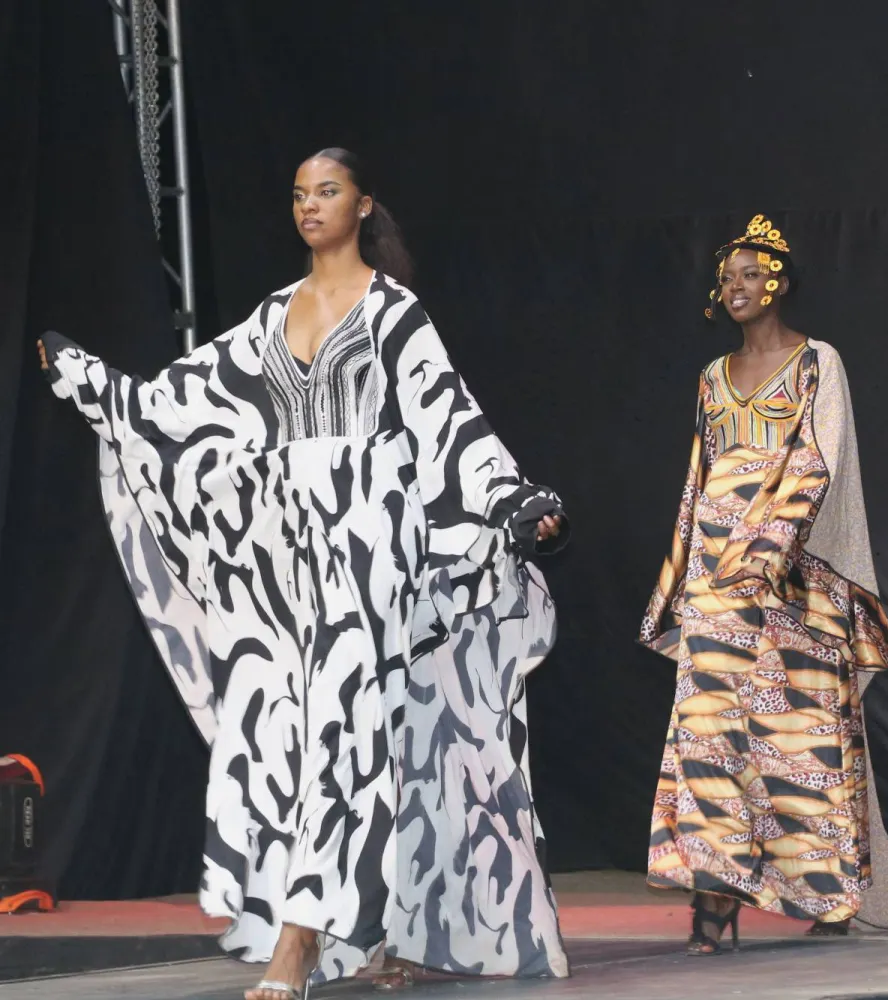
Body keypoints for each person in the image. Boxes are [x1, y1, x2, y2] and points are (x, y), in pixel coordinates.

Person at [39, 149, 570, 998]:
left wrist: (512, 500)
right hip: (291, 554)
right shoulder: (270, 318)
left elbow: (450, 419)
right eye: (298, 194)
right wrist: (90, 381)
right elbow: (177, 402)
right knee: (348, 736)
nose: (309, 205)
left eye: (327, 191)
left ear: (363, 206)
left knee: (343, 727)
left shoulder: (393, 313)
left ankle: (298, 945)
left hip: (372, 540)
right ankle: (391, 929)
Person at [640, 215, 888, 955]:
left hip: (796, 572)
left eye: (749, 274)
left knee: (805, 732)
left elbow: (819, 460)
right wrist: (686, 576)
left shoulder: (817, 361)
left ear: (780, 283)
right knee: (710, 732)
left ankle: (830, 893)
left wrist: (768, 549)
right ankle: (714, 900)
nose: (736, 286)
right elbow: (699, 477)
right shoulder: (711, 376)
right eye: (726, 277)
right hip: (716, 573)